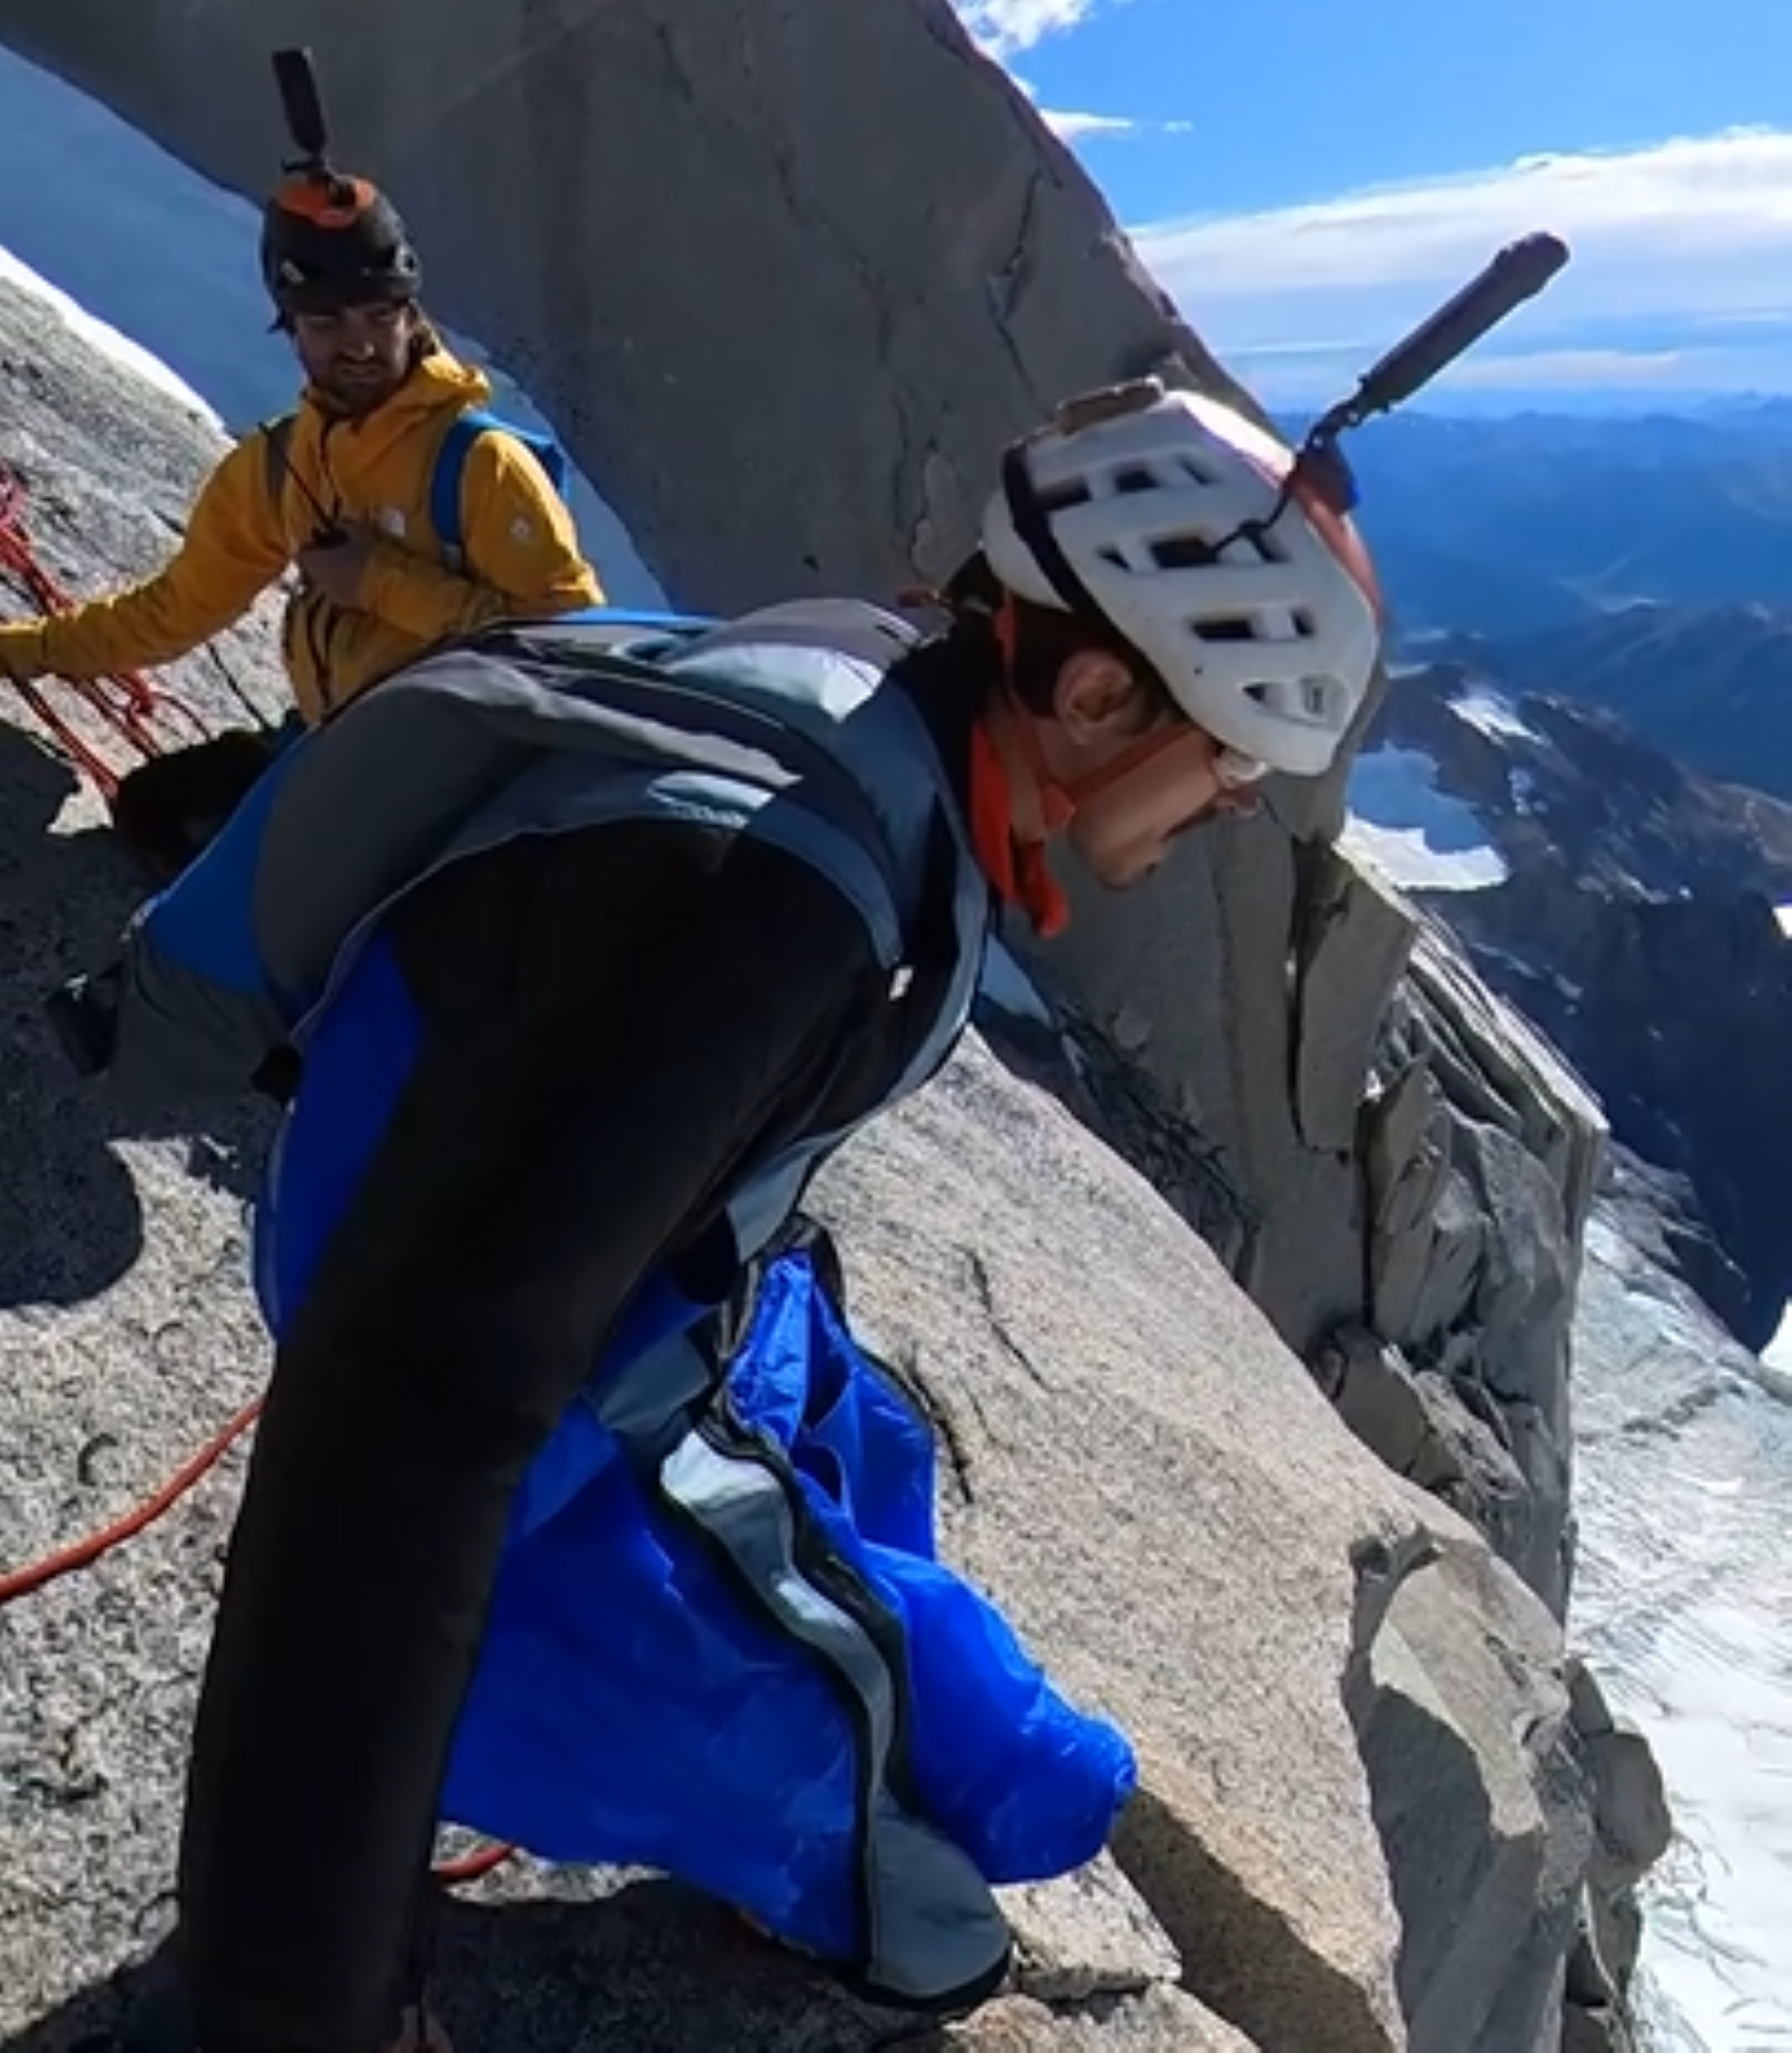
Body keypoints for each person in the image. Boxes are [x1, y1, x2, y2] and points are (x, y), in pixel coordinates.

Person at [69, 372, 1382, 2053]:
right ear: (1101, 684)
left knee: (879, 1473)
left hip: (577, 1285)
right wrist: (301, 2000)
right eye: (1227, 757)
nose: (1230, 808)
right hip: (511, 1423)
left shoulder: (860, 690)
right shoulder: (775, 904)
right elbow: (415, 1408)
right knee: (945, 1883)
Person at [0, 161, 604, 870]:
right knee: (157, 812)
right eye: (328, 320)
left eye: (381, 315)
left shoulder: (482, 467)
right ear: (290, 328)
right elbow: (177, 609)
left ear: (412, 315)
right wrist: (25, 650)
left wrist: (378, 580)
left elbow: (575, 652)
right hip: (335, 749)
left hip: (460, 787)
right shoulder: (283, 464)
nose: (360, 343)